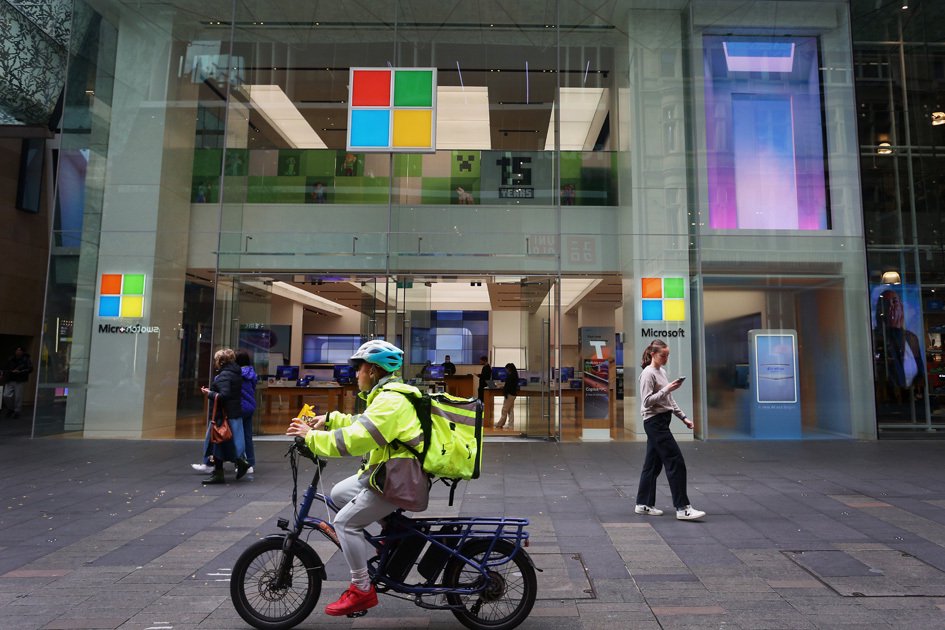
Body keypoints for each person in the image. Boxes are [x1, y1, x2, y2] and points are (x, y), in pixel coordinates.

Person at [286, 340, 427, 617]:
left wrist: (312, 437)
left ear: (373, 370)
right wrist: (329, 420)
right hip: (389, 474)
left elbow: (357, 439)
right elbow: (362, 424)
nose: (356, 373)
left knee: (344, 523)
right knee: (339, 493)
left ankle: (361, 589)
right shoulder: (386, 396)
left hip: (399, 481)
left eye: (359, 368)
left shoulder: (392, 401)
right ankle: (393, 533)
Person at [634, 339, 705, 521]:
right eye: (662, 355)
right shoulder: (648, 374)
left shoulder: (662, 372)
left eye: (667, 355)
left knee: (652, 465)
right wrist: (666, 389)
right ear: (652, 354)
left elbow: (669, 401)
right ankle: (683, 508)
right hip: (654, 422)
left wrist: (684, 418)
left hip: (662, 421)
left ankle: (643, 504)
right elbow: (646, 402)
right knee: (675, 461)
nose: (665, 359)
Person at [200, 348, 249, 485]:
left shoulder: (224, 375)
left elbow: (224, 395)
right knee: (228, 443)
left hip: (223, 416)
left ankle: (221, 472)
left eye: (216, 360)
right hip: (233, 413)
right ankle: (235, 464)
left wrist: (209, 393)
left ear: (221, 361)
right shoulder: (236, 373)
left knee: (217, 443)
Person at [874, 289, 924, 404]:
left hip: (913, 401)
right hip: (889, 402)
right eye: (886, 304)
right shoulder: (876, 337)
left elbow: (920, 373)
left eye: (895, 302)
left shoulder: (911, 338)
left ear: (901, 307)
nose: (891, 307)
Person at [235, 349, 258, 474]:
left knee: (236, 436)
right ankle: (250, 462)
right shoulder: (252, 374)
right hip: (250, 406)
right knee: (247, 436)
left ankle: (241, 462)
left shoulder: (236, 374)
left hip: (239, 406)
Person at [2, 347, 32, 419]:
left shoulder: (26, 359)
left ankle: (17, 411)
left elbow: (30, 369)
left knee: (18, 396)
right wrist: (9, 372)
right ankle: (11, 408)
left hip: (19, 380)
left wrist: (20, 372)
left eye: (19, 350)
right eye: (17, 350)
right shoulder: (11, 358)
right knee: (6, 395)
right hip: (10, 379)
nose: (18, 351)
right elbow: (5, 367)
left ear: (22, 352)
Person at [495, 362, 519, 430]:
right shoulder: (514, 375)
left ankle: (500, 424)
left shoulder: (510, 376)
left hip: (509, 395)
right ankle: (511, 425)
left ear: (509, 368)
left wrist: (502, 387)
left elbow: (508, 386)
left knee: (504, 410)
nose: (506, 370)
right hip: (513, 394)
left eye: (506, 369)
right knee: (510, 410)